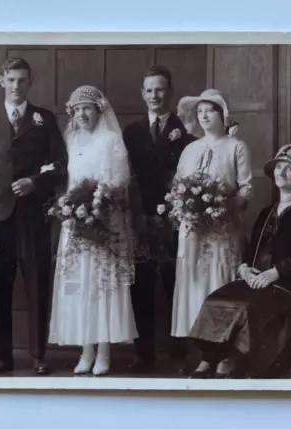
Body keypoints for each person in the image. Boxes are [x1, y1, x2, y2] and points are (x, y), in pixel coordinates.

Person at [187, 144, 291, 378]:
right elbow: (252, 248)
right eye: (278, 168)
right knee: (215, 300)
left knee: (248, 307)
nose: (281, 173)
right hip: (259, 278)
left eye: (290, 169)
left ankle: (234, 359)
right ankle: (209, 358)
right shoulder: (267, 211)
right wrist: (244, 269)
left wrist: (275, 273)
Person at [0, 58, 68, 375]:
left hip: (33, 216)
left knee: (37, 284)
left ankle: (38, 355)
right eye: (11, 80)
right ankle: (2, 357)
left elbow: (60, 166)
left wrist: (35, 183)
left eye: (22, 80)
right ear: (2, 81)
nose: (16, 86)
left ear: (30, 82)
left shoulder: (45, 119)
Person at [48, 85, 138, 376]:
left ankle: (104, 350)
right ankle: (85, 349)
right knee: (80, 286)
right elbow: (67, 180)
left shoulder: (111, 139)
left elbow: (118, 181)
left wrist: (98, 203)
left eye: (87, 108)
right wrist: (69, 205)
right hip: (75, 224)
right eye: (77, 109)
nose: (82, 114)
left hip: (102, 222)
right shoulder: (71, 140)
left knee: (100, 287)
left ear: (99, 109)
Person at [122, 65, 197, 373]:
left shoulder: (187, 136)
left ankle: (178, 355)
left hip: (173, 222)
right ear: (143, 94)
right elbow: (126, 177)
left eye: (161, 89)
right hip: (140, 221)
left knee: (173, 287)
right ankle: (145, 354)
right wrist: (137, 216)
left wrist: (172, 213)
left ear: (170, 92)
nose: (155, 95)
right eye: (150, 90)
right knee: (140, 289)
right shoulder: (131, 132)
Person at [171, 89, 253, 343]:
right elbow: (178, 185)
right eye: (200, 112)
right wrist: (185, 206)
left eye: (210, 111)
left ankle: (221, 343)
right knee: (194, 279)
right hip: (193, 227)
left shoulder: (236, 146)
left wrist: (226, 206)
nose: (204, 116)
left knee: (218, 278)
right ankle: (197, 344)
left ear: (222, 114)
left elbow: (246, 186)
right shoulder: (190, 149)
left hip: (222, 225)